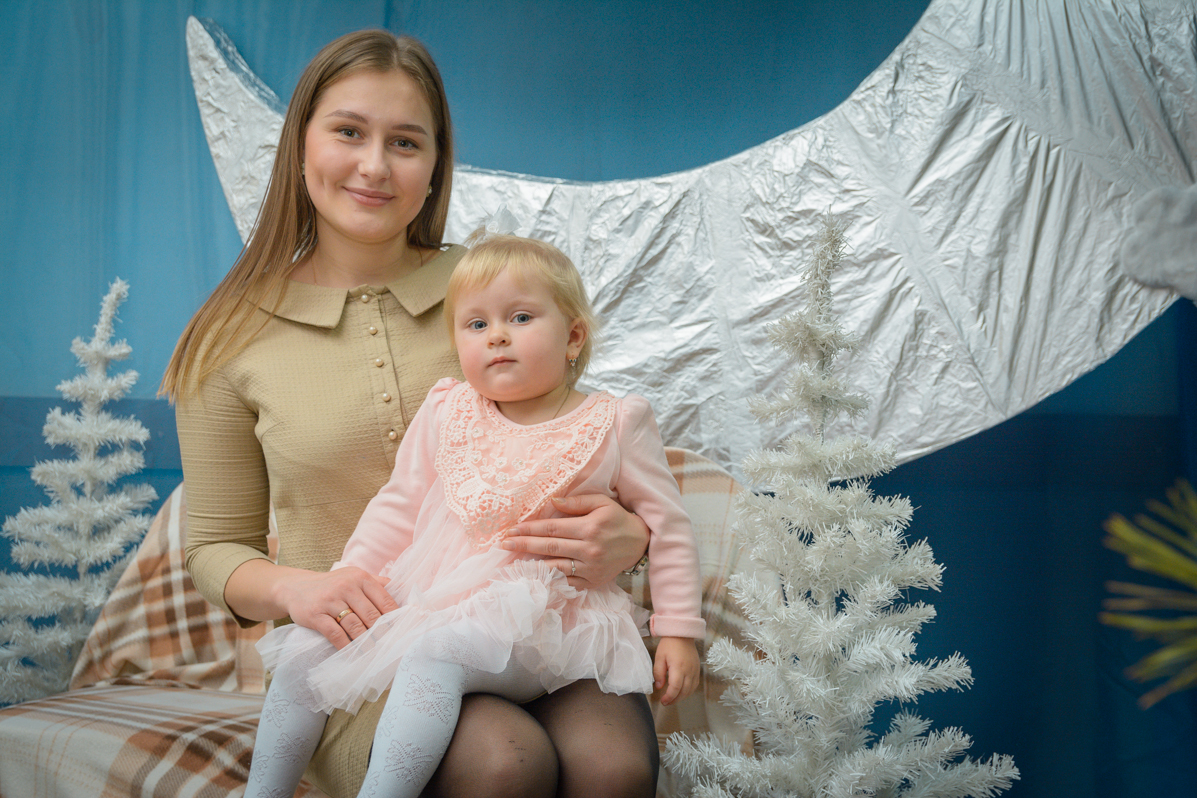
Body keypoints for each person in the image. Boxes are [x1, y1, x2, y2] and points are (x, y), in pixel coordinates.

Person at [161, 29, 662, 798]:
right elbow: (214, 547)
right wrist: (297, 591)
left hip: (537, 625)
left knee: (613, 767)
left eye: (404, 142)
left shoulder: (495, 291)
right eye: (348, 132)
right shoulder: (228, 337)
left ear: (434, 167)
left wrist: (628, 535)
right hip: (360, 647)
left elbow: (583, 443)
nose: (374, 166)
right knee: (504, 761)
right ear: (299, 145)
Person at [245, 231, 705, 798]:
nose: (497, 336)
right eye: (477, 324)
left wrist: (678, 632)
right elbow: (398, 503)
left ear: (573, 336)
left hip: (544, 626)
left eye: (520, 317)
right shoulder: (449, 408)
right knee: (303, 651)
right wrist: (351, 576)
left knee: (435, 652)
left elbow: (669, 527)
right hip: (432, 598)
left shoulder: (615, 422)